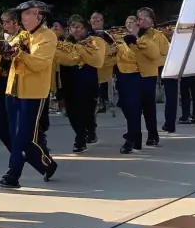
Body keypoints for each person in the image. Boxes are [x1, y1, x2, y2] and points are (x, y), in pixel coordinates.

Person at [0, 1, 60, 187]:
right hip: (13, 89)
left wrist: (19, 53)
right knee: (10, 134)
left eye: (27, 14)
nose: (22, 18)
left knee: (23, 137)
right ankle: (47, 165)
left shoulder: (47, 36)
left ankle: (13, 174)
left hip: (33, 93)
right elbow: (11, 52)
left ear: (39, 16)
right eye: (22, 14)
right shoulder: (24, 35)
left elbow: (39, 63)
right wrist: (6, 51)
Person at [56, 14, 103, 153]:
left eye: (79, 27)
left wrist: (79, 49)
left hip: (87, 81)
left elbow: (97, 60)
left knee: (87, 110)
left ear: (85, 28)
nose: (75, 30)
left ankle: (90, 130)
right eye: (73, 27)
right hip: (68, 81)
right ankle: (80, 137)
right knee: (71, 112)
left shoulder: (93, 41)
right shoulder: (64, 43)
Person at [132, 8, 167, 145]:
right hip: (132, 73)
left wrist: (152, 63)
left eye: (146, 18)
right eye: (140, 18)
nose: (142, 20)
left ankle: (152, 134)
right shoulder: (133, 33)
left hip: (148, 74)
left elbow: (164, 53)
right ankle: (135, 136)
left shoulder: (157, 36)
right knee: (134, 106)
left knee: (148, 106)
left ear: (152, 21)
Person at [112, 15, 145, 153]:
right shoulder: (120, 40)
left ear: (138, 23)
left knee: (134, 108)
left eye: (132, 21)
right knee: (126, 107)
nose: (129, 23)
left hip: (137, 75)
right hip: (122, 76)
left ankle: (130, 138)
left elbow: (140, 56)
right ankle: (136, 136)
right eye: (127, 22)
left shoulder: (143, 39)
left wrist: (133, 44)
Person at [0, 10, 21, 153]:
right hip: (1, 81)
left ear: (15, 23)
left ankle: (18, 154)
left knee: (13, 124)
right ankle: (15, 152)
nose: (4, 25)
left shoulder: (22, 37)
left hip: (15, 82)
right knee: (1, 127)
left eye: (7, 22)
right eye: (3, 22)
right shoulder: (2, 37)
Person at [90, 12, 115, 114]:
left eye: (98, 20)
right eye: (93, 20)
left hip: (105, 67)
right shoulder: (86, 34)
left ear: (102, 22)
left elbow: (114, 47)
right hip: (90, 66)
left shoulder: (107, 35)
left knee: (104, 86)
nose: (95, 22)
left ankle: (104, 103)